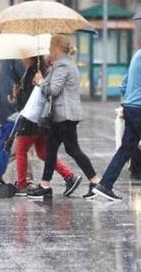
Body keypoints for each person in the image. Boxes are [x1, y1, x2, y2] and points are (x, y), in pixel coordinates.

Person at [94, 28, 141, 201]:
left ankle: (105, 184)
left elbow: (125, 82)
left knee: (126, 149)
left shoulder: (139, 56)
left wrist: (128, 98)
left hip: (134, 109)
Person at [27, 35, 100, 199]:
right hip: (61, 115)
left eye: (50, 48)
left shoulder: (63, 66)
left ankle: (95, 181)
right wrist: (43, 78)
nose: (48, 51)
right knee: (51, 149)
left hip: (64, 115)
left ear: (57, 48)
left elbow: (53, 90)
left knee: (72, 149)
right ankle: (45, 184)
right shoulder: (61, 65)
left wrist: (40, 82)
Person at [12, 55, 82, 197]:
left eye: (24, 56)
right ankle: (69, 176)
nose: (22, 58)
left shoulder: (34, 72)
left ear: (30, 58)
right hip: (42, 121)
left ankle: (21, 184)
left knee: (21, 150)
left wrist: (20, 94)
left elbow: (31, 99)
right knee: (43, 152)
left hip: (32, 121)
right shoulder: (42, 71)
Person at [0, 59, 25, 125]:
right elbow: (24, 74)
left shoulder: (9, 58)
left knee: (7, 128)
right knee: (12, 127)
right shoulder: (18, 59)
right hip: (12, 100)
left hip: (6, 99)